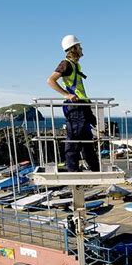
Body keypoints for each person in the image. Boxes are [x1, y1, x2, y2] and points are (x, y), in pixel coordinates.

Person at [47, 35, 100, 172]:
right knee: (73, 141)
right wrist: (66, 94)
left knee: (86, 140)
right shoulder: (66, 64)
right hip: (76, 108)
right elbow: (51, 80)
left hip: (82, 107)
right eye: (79, 46)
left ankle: (95, 168)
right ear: (73, 48)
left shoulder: (75, 64)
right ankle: (73, 171)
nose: (82, 49)